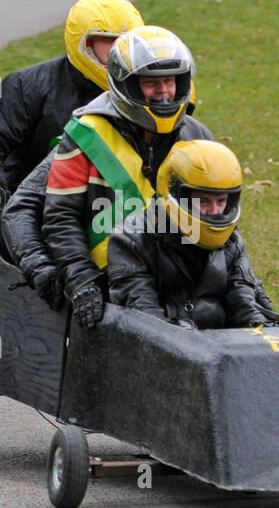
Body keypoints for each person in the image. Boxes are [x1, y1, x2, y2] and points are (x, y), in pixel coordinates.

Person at [42, 26, 214, 330]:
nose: (164, 91)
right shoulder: (84, 136)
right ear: (127, 85)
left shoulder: (198, 136)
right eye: (151, 83)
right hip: (108, 284)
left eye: (170, 81)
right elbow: (61, 218)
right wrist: (82, 282)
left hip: (181, 282)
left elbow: (219, 217)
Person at [0, 0, 145, 241]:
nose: (121, 50)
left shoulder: (147, 91)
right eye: (111, 41)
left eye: (129, 42)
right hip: (37, 215)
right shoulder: (27, 85)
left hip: (117, 216)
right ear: (85, 43)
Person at [107, 141, 271, 330]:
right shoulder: (130, 240)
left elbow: (244, 305)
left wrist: (262, 329)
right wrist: (189, 339)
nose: (215, 211)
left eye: (222, 201)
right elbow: (145, 318)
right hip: (157, 351)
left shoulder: (231, 241)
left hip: (223, 351)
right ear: (176, 194)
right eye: (203, 201)